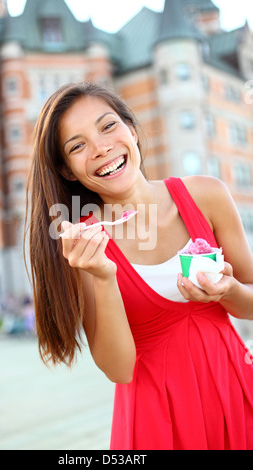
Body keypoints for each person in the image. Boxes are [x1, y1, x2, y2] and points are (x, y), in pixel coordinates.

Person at [25, 81, 253, 450]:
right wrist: (102, 275)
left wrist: (229, 292)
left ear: (131, 129)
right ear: (67, 171)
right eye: (77, 146)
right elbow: (119, 368)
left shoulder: (207, 195)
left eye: (108, 126)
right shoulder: (82, 245)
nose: (101, 148)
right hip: (158, 418)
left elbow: (251, 303)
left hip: (236, 389)